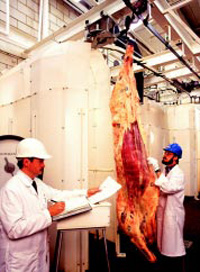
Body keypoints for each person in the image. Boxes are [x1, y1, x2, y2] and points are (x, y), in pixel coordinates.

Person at [0, 138, 99, 272]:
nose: (44, 165)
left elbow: (58, 194)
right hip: (19, 262)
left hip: (37, 257)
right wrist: (49, 213)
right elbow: (14, 230)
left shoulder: (37, 183)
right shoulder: (10, 190)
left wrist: (86, 193)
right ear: (26, 162)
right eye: (40, 161)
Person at [147, 143, 186, 272]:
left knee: (173, 241)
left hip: (173, 213)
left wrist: (156, 169)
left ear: (176, 158)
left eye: (168, 154)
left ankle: (177, 265)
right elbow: (160, 183)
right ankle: (165, 262)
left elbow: (168, 187)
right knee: (164, 240)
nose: (165, 156)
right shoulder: (167, 171)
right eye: (165, 153)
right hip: (164, 210)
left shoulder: (178, 174)